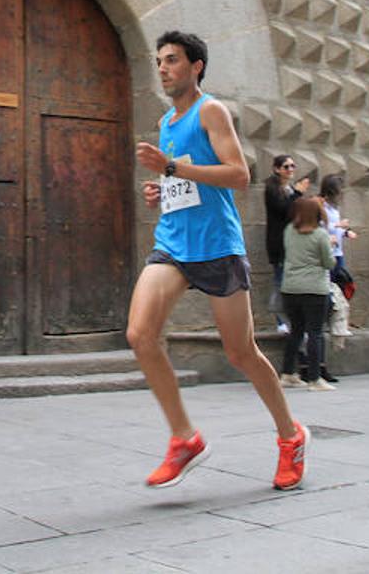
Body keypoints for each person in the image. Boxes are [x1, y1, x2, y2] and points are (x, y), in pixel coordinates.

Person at [130, 31, 306, 491]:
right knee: (140, 334)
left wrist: (170, 169)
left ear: (196, 66)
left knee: (240, 352)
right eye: (160, 61)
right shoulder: (168, 120)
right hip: (173, 243)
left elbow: (238, 175)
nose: (163, 68)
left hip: (217, 246)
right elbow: (187, 181)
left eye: (172, 60)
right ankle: (183, 438)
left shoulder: (211, 110)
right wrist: (162, 192)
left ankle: (291, 436)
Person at [279, 196, 336, 391]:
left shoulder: (288, 231)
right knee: (315, 333)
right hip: (314, 288)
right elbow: (329, 263)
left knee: (295, 331)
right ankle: (314, 378)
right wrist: (333, 244)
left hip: (290, 287)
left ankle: (288, 373)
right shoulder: (320, 235)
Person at [263, 155, 309, 334]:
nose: (290, 169)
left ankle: (290, 320)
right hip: (279, 244)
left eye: (292, 166)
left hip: (292, 243)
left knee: (289, 284)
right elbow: (283, 210)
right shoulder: (272, 189)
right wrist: (297, 193)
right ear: (276, 169)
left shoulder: (288, 189)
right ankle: (280, 321)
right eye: (286, 166)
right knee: (280, 282)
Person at [319, 174, 356, 352]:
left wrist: (346, 232)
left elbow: (336, 230)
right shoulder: (322, 207)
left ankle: (337, 322)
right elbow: (320, 230)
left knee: (342, 289)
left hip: (338, 253)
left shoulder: (334, 209)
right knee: (331, 290)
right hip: (329, 255)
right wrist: (338, 226)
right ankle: (330, 320)